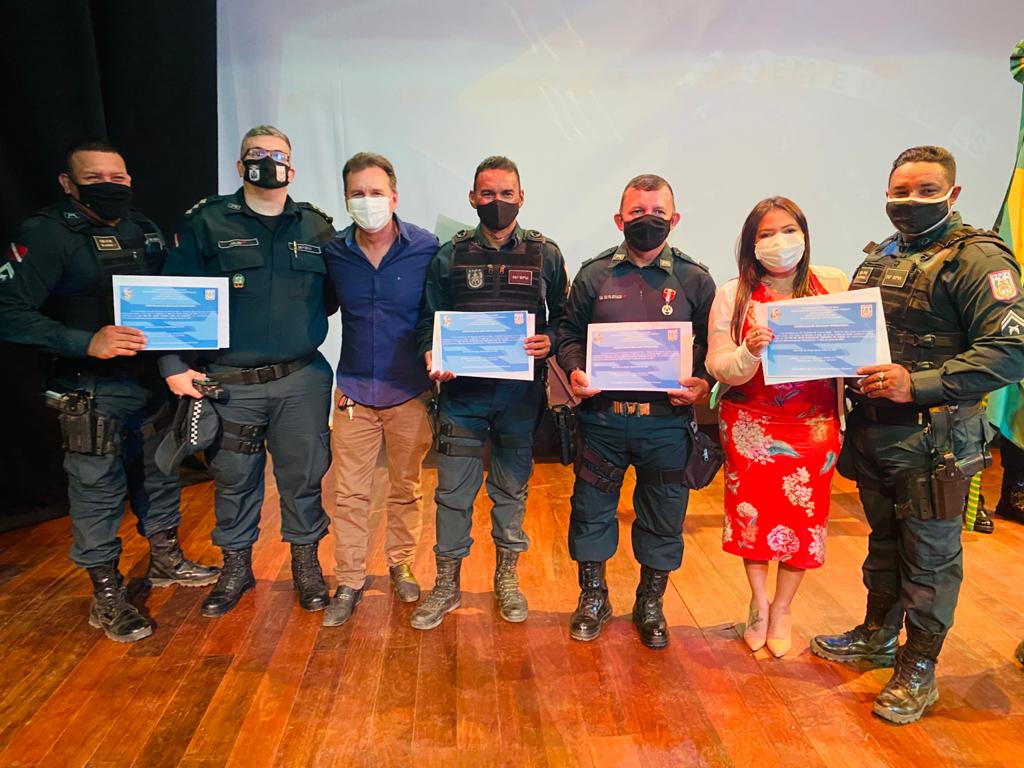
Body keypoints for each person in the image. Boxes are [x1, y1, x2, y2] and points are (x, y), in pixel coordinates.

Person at [810, 146, 1024, 724]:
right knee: (883, 542)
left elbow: (1011, 350)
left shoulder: (979, 259)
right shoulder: (879, 257)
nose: (910, 201)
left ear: (953, 195)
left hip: (937, 440)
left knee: (929, 559)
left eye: (926, 191)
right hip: (876, 433)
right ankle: (877, 636)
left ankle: (919, 668)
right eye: (900, 191)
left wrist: (919, 383)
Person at [0, 140, 218, 643]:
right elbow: (7, 311)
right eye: (94, 177)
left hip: (151, 381)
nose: (109, 186)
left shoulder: (143, 228)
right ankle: (107, 594)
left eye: (117, 178)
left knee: (160, 474)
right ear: (68, 183)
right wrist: (84, 341)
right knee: (97, 490)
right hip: (91, 389)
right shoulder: (46, 234)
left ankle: (165, 559)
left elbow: (173, 297)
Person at [161, 125, 336, 618]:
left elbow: (330, 299)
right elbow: (175, 295)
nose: (267, 161)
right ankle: (236, 568)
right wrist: (172, 364)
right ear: (240, 166)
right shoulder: (207, 222)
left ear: (291, 169)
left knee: (304, 477)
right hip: (229, 382)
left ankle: (306, 565)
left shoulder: (316, 227)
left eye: (277, 155)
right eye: (256, 154)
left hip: (300, 379)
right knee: (234, 479)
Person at [556, 174, 715, 649]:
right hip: (602, 421)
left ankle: (650, 601)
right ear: (619, 219)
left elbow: (713, 345)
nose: (648, 219)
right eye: (637, 212)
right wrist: (575, 369)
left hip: (666, 424)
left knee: (664, 514)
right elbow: (568, 335)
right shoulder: (593, 275)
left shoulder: (695, 279)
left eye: (658, 212)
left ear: (675, 219)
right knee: (590, 510)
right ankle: (594, 596)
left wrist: (703, 381)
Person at [410, 155, 569, 630]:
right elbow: (427, 320)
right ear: (472, 198)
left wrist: (550, 341)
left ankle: (507, 578)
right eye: (487, 193)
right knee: (452, 494)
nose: (496, 201)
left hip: (520, 398)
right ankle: (446, 583)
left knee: (510, 491)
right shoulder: (450, 254)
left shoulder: (545, 253)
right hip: (462, 399)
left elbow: (564, 319)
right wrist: (431, 353)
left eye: (505, 193)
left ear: (521, 197)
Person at [706, 197, 847, 658]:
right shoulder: (733, 294)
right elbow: (717, 363)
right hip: (751, 423)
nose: (778, 242)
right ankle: (759, 605)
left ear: (804, 235)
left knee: (805, 518)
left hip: (815, 424)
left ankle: (783, 608)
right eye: (766, 234)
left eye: (788, 230)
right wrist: (748, 352)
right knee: (753, 516)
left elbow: (855, 347)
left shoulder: (833, 283)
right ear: (751, 244)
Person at [321, 153, 438, 627]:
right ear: (346, 199)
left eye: (376, 192)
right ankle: (349, 580)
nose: (367, 201)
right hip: (353, 390)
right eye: (357, 193)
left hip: (409, 390)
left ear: (394, 197)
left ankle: (401, 564)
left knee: (406, 487)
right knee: (349, 493)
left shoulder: (426, 247)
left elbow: (440, 311)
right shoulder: (333, 252)